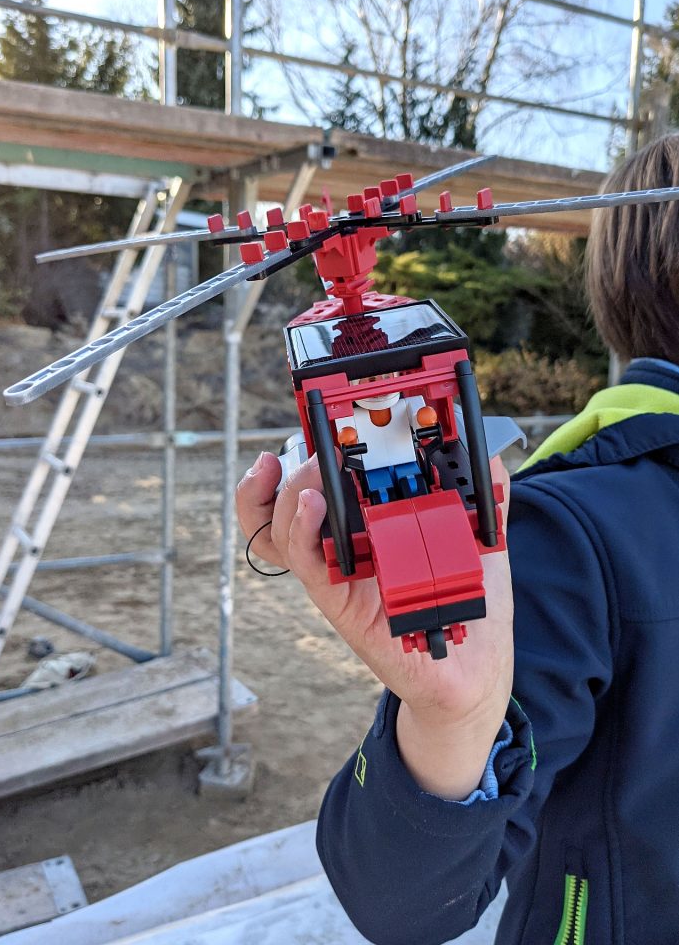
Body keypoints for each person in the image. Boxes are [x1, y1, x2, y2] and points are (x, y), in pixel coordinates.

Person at [236, 135, 679, 945]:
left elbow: (402, 906)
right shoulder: (567, 537)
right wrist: (454, 719)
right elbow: (408, 901)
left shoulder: (570, 531)